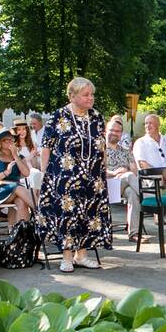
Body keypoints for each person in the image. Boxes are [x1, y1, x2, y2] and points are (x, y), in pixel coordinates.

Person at [39, 77, 113, 273]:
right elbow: (46, 147)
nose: (91, 98)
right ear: (72, 96)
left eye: (92, 94)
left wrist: (104, 167)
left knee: (89, 214)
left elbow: (101, 145)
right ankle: (67, 257)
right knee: (68, 214)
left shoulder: (96, 116)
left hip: (93, 175)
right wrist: (45, 174)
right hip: (65, 176)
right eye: (86, 95)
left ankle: (82, 255)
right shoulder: (58, 116)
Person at [104, 115, 146, 243]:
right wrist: (114, 172)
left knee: (133, 194)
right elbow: (97, 171)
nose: (114, 133)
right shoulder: (99, 149)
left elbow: (134, 171)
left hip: (124, 184)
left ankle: (134, 233)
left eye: (117, 131)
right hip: (106, 184)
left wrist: (125, 171)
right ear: (105, 131)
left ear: (121, 134)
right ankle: (148, 198)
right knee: (128, 177)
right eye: (112, 130)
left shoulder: (126, 151)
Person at [0, 127, 34, 226]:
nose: (11, 142)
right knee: (18, 188)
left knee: (22, 202)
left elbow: (27, 174)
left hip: (16, 190)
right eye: (7, 140)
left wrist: (15, 156)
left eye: (12, 140)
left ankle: (19, 235)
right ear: (0, 143)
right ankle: (40, 211)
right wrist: (5, 173)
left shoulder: (19, 157)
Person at [12, 117, 43, 196]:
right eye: (19, 129)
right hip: (20, 177)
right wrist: (30, 157)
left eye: (24, 129)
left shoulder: (32, 145)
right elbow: (17, 163)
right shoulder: (13, 146)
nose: (22, 132)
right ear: (15, 131)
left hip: (33, 173)